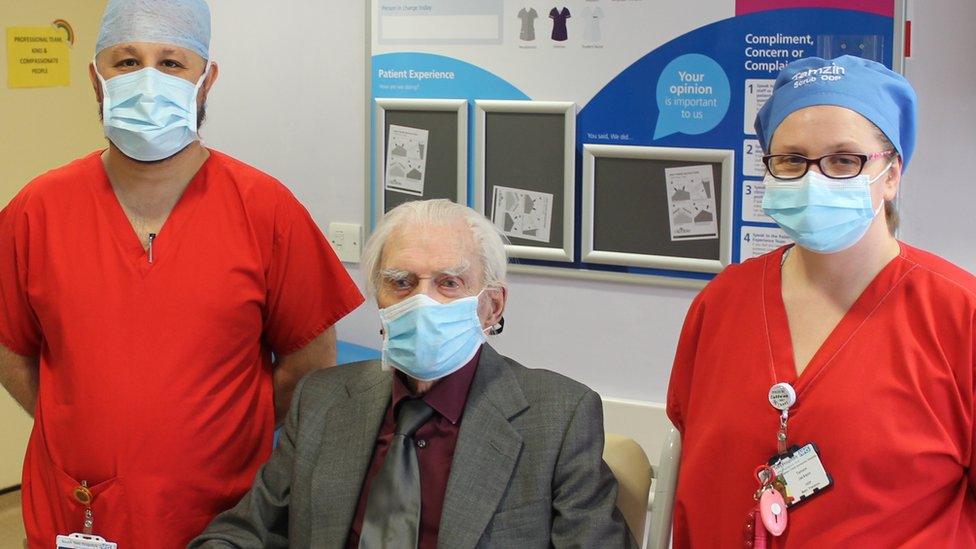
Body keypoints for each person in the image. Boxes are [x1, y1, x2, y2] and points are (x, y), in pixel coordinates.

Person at [0, 0, 364, 546]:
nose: (147, 79)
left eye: (171, 63)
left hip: (227, 519)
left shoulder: (265, 210)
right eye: (126, 62)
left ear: (206, 79)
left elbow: (307, 365)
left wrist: (221, 438)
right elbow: (12, 349)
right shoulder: (37, 210)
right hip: (77, 512)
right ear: (95, 79)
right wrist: (75, 426)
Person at [190, 199, 635, 548]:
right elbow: (248, 532)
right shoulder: (323, 401)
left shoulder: (558, 418)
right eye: (401, 282)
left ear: (491, 306)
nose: (422, 302)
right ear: (379, 300)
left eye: (449, 283)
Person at [667, 55, 976, 546]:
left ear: (892, 174)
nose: (814, 179)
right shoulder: (722, 303)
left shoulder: (959, 315)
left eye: (843, 159)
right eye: (790, 159)